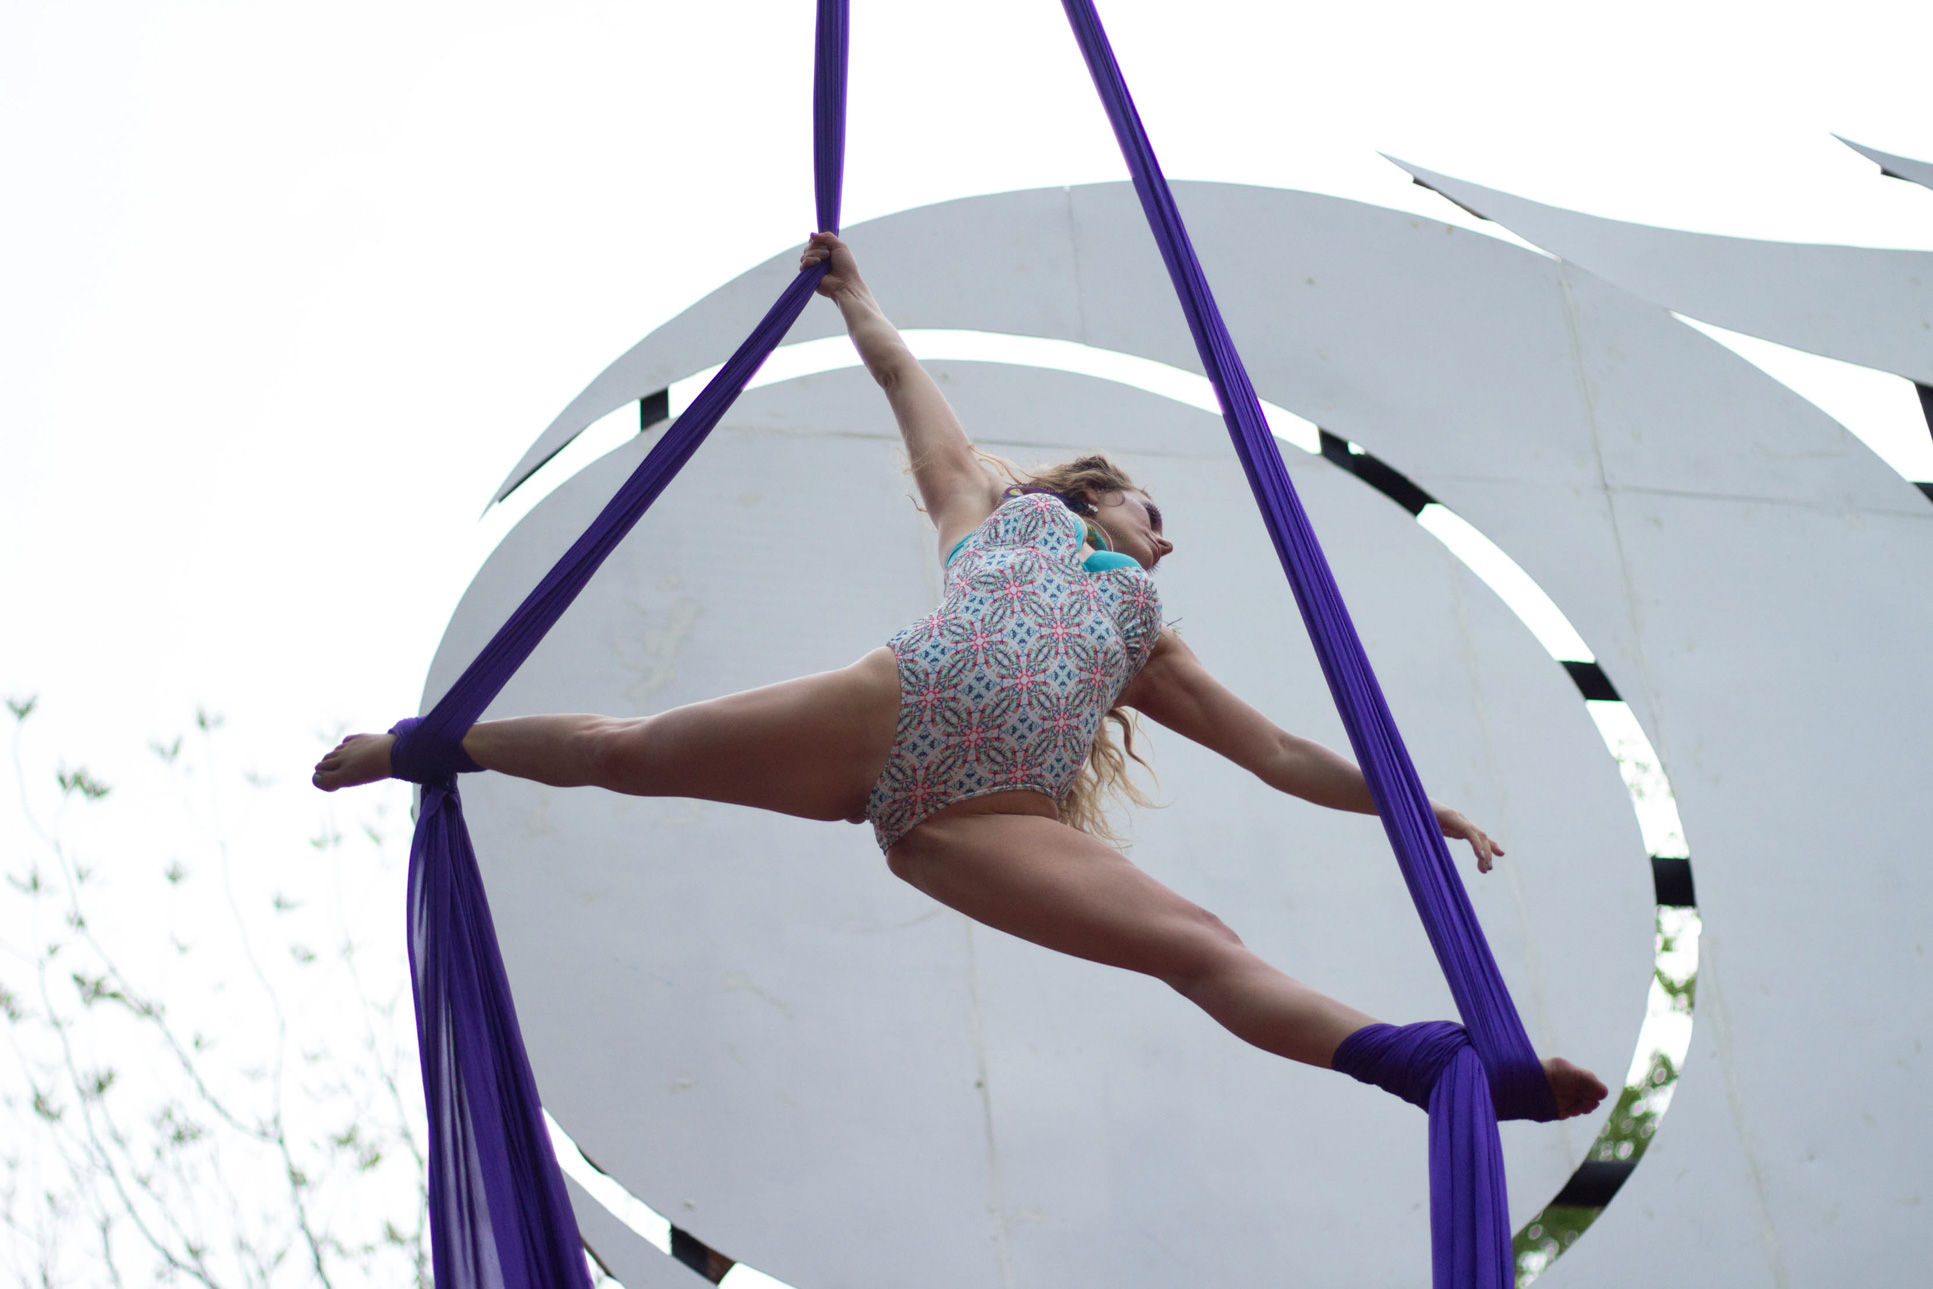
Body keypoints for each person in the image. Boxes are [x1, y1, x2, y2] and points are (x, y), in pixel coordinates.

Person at [314, 233, 1608, 1116]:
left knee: (1196, 943)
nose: (1172, 531)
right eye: (1153, 503)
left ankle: (1423, 1065)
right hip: (893, 709)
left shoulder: (1145, 633)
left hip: (984, 813)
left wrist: (1410, 799)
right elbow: (904, 386)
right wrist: (856, 299)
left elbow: (1274, 753)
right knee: (627, 749)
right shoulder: (997, 508)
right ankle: (426, 745)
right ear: (1092, 490)